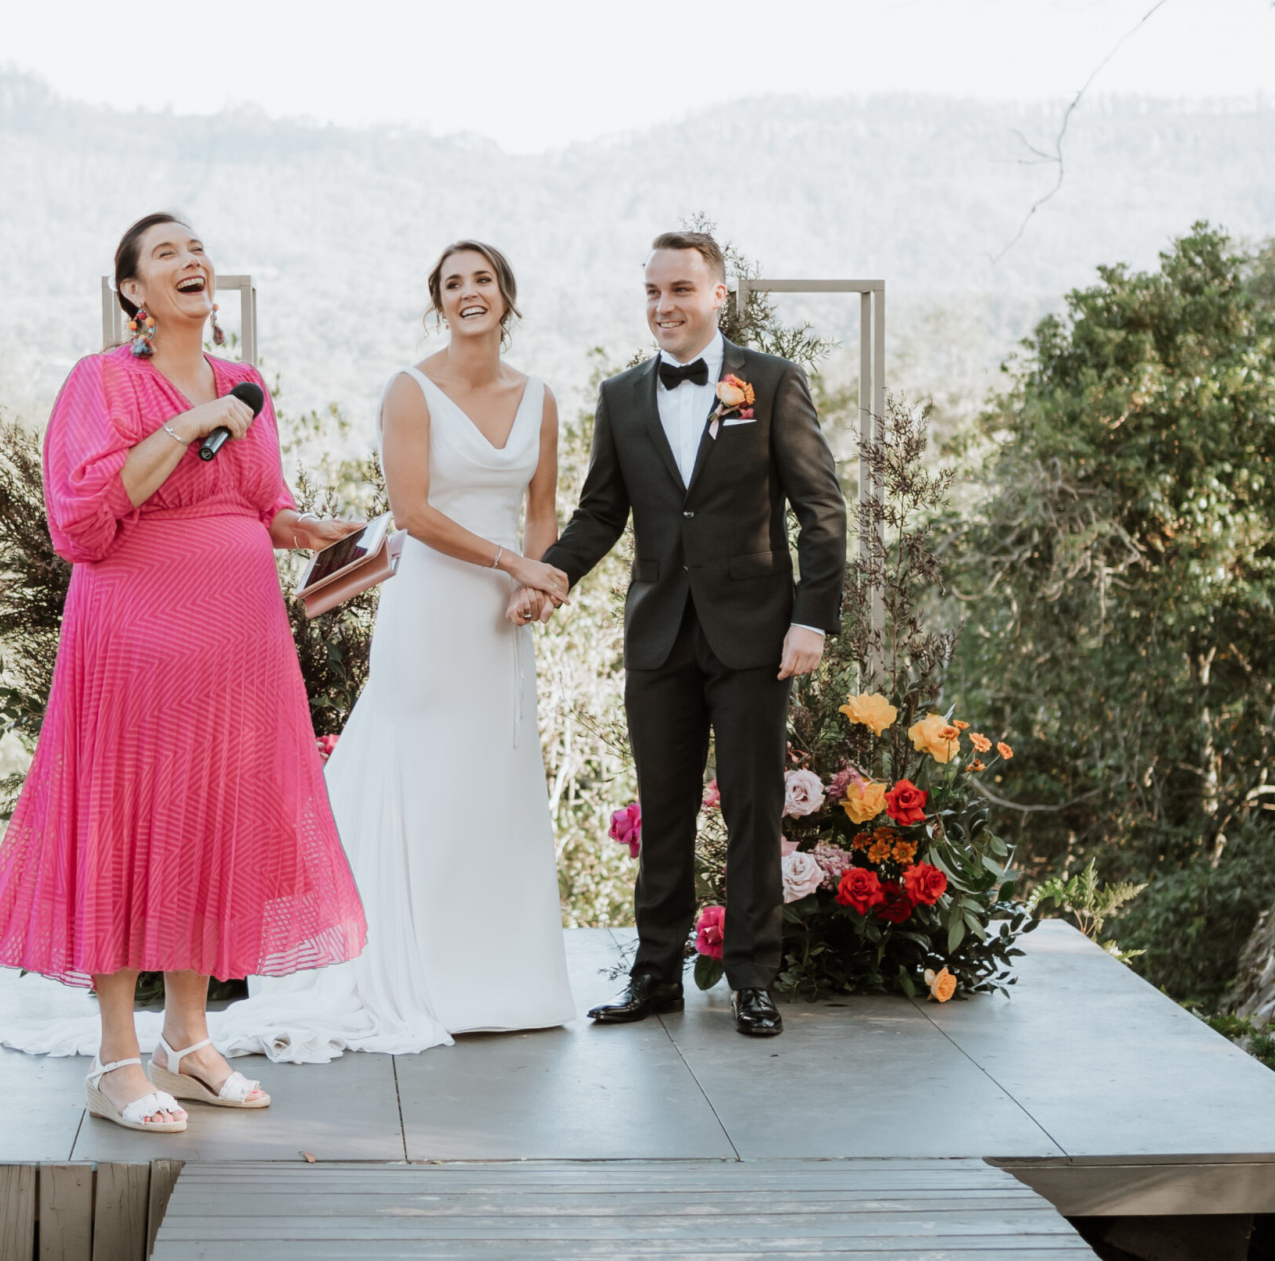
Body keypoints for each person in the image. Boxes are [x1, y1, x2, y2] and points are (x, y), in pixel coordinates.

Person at [0, 212, 368, 1130]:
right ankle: (116, 1060)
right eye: (166, 254)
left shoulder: (245, 384)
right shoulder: (102, 382)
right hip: (134, 638)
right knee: (125, 823)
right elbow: (81, 517)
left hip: (241, 643)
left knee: (211, 820)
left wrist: (297, 528)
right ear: (133, 294)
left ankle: (186, 1042)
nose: (192, 261)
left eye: (197, 249)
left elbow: (259, 499)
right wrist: (190, 423)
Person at [201, 238, 577, 1062]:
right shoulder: (411, 391)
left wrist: (535, 582)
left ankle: (501, 979)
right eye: (453, 284)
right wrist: (510, 559)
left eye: (482, 280)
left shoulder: (541, 398)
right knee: (423, 772)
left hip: (502, 619)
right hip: (432, 605)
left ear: (507, 297)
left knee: (493, 776)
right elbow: (412, 514)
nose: (468, 293)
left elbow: (542, 509)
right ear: (437, 302)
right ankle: (401, 970)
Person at [517, 230, 846, 1039]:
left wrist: (811, 618)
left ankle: (752, 980)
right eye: (654, 293)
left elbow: (822, 512)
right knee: (662, 812)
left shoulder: (771, 382)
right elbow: (601, 511)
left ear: (718, 296)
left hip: (756, 639)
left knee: (752, 809)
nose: (665, 306)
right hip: (659, 638)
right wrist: (551, 573)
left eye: (681, 291)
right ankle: (654, 975)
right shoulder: (622, 396)